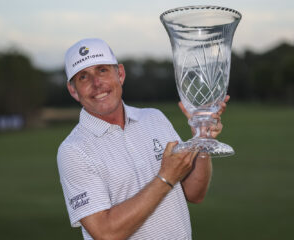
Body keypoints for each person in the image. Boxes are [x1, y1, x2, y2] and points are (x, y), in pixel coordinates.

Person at [57, 38, 229, 240]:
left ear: (120, 74)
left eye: (102, 70)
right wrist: (165, 178)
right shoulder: (74, 150)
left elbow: (194, 193)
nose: (97, 84)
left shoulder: (154, 118)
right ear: (73, 91)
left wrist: (201, 138)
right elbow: (105, 233)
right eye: (83, 77)